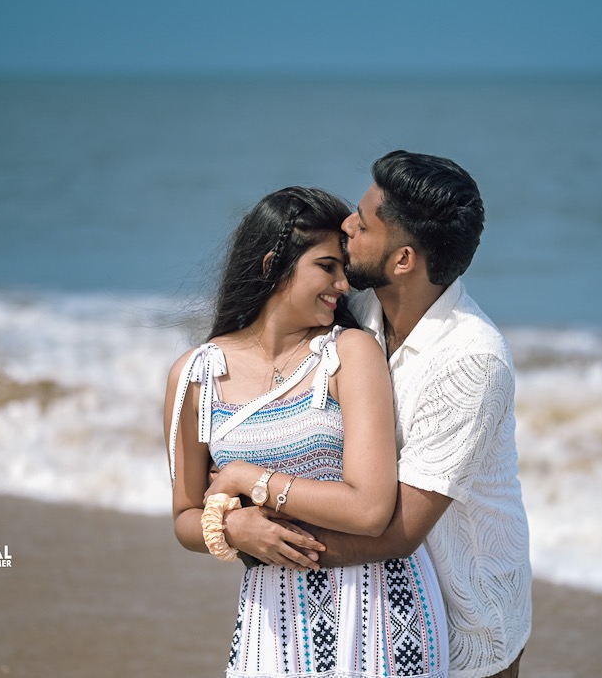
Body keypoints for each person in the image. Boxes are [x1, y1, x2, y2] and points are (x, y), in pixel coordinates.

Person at [214, 151, 532, 678]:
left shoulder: (471, 360)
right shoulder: (357, 312)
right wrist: (227, 516)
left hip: (466, 627)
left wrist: (258, 544)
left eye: (362, 225)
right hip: (370, 620)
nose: (346, 226)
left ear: (403, 260)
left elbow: (398, 530)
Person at [165, 186, 449, 677]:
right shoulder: (196, 375)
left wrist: (245, 478)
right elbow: (186, 516)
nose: (345, 284)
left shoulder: (349, 354)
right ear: (275, 263)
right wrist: (231, 528)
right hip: (272, 619)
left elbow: (370, 508)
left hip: (379, 611)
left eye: (344, 268)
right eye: (327, 267)